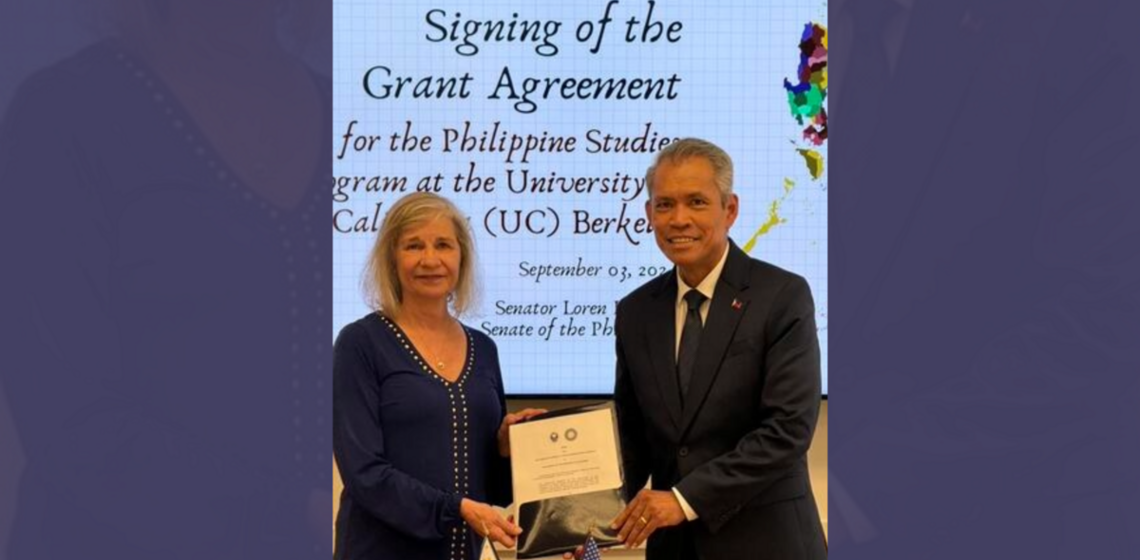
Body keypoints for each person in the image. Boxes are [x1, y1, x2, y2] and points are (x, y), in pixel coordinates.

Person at [609, 138, 826, 559]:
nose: (679, 219)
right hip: (676, 550)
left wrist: (684, 500)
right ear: (649, 214)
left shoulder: (782, 296)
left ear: (730, 210)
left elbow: (787, 430)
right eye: (665, 204)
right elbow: (631, 440)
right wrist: (579, 524)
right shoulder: (635, 312)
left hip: (769, 544)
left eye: (696, 202)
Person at [333, 192, 543, 560]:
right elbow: (364, 474)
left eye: (443, 245)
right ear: (391, 258)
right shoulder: (360, 343)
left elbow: (491, 488)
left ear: (461, 257)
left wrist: (508, 448)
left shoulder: (484, 348)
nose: (430, 260)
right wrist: (456, 508)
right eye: (414, 246)